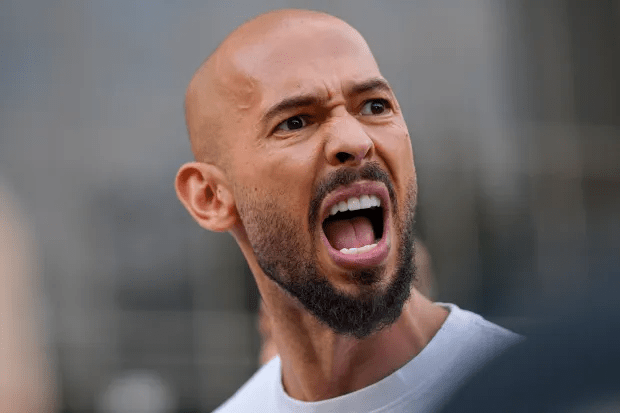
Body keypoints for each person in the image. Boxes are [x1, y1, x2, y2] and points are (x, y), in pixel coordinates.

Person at [175, 9, 521, 412]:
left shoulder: (545, 391)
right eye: (295, 122)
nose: (355, 140)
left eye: (375, 106)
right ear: (210, 198)